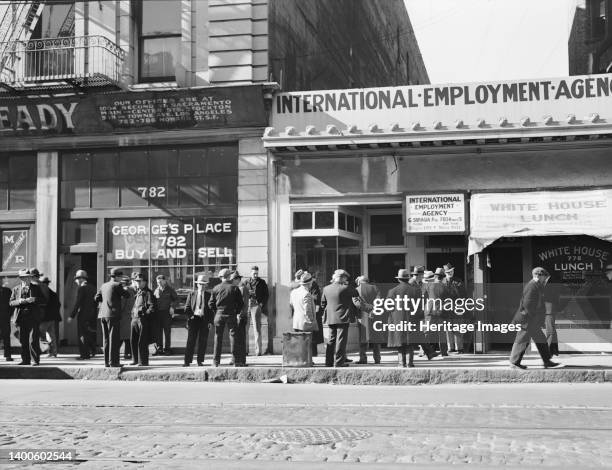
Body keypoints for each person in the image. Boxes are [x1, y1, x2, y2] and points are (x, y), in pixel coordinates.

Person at [509, 267, 561, 370]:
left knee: (540, 340)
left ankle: (547, 361)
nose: (545, 280)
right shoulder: (532, 286)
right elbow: (527, 304)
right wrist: (532, 318)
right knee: (522, 340)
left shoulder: (537, 285)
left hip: (532, 320)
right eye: (545, 277)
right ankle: (514, 362)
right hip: (528, 319)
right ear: (539, 275)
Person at [321, 269, 360, 367]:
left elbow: (323, 304)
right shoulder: (346, 288)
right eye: (346, 278)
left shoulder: (326, 288)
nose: (346, 280)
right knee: (341, 340)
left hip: (331, 317)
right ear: (342, 278)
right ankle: (339, 362)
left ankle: (328, 362)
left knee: (331, 340)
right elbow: (356, 294)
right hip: (343, 317)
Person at [95, 268, 130, 368]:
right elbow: (127, 295)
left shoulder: (104, 285)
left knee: (106, 339)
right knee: (114, 339)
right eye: (121, 277)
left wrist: (106, 300)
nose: (121, 279)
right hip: (113, 315)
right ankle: (114, 362)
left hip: (103, 315)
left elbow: (96, 298)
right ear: (118, 277)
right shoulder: (117, 285)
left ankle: (107, 362)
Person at [209, 268, 244, 367]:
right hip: (231, 314)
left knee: (218, 337)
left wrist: (217, 312)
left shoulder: (215, 288)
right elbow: (241, 303)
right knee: (233, 337)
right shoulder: (234, 288)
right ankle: (235, 361)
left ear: (221, 277)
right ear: (229, 277)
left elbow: (210, 304)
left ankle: (216, 362)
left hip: (219, 314)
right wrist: (235, 311)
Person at [10, 269, 44, 366]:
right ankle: (25, 360)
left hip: (33, 317)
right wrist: (19, 301)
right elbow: (11, 303)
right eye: (24, 277)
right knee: (23, 340)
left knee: (33, 339)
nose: (27, 279)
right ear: (21, 278)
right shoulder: (16, 289)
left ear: (30, 278)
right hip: (21, 318)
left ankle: (35, 360)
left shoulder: (36, 288)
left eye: (28, 277)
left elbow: (44, 300)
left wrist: (35, 299)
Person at [183, 274, 213, 367]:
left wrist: (210, 322)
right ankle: (187, 361)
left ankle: (200, 361)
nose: (202, 286)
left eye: (204, 284)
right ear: (197, 285)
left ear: (206, 285)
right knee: (191, 340)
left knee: (202, 341)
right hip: (194, 319)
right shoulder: (191, 294)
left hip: (204, 319)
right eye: (200, 284)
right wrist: (189, 317)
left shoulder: (209, 295)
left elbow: (212, 309)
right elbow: (187, 307)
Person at [68, 270, 98, 360]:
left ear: (80, 279)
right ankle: (92, 350)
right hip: (92, 314)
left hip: (83, 314)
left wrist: (71, 316)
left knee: (82, 334)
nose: (75, 281)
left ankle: (84, 355)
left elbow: (78, 303)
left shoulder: (82, 288)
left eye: (76, 279)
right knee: (88, 333)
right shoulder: (92, 287)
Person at [289, 271, 318, 361]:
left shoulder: (294, 292)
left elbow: (291, 304)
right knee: (307, 344)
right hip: (305, 323)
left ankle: (300, 361)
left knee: (299, 343)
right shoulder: (306, 294)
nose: (312, 284)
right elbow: (308, 311)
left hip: (296, 321)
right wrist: (312, 322)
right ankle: (307, 361)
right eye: (311, 282)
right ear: (308, 284)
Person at [422, 268, 451, 356]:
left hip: (429, 310)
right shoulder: (445, 287)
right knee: (441, 333)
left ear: (435, 276)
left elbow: (423, 296)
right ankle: (444, 352)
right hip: (440, 311)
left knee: (426, 332)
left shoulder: (429, 285)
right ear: (443, 278)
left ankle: (424, 351)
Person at [130, 273, 155, 366]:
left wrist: (144, 314)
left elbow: (152, 307)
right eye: (137, 281)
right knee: (133, 340)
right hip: (134, 319)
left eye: (140, 281)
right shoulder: (138, 292)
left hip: (142, 319)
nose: (138, 283)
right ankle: (135, 359)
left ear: (145, 282)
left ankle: (143, 361)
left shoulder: (148, 293)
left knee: (142, 341)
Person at [355, 275, 382, 365]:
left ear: (359, 281)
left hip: (362, 316)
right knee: (376, 338)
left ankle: (363, 358)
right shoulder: (375, 288)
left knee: (362, 338)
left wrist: (368, 309)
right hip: (375, 315)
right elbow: (379, 301)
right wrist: (373, 309)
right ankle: (377, 359)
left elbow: (357, 304)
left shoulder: (357, 289)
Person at [442, 263, 467, 354]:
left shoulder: (458, 281)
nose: (450, 273)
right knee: (448, 328)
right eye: (448, 271)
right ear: (445, 272)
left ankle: (459, 348)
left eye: (451, 271)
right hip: (446, 308)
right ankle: (450, 347)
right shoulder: (442, 282)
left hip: (457, 308)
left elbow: (463, 294)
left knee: (458, 327)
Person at [245, 266, 269, 355]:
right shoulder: (246, 282)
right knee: (245, 328)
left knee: (257, 328)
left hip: (256, 305)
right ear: (250, 273)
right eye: (254, 273)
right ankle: (245, 350)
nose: (255, 275)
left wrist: (261, 304)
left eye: (256, 273)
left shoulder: (262, 282)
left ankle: (258, 351)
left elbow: (266, 294)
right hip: (247, 305)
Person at [153, 275, 178, 356]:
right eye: (157, 282)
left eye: (160, 282)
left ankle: (167, 349)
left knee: (167, 332)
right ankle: (159, 349)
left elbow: (177, 299)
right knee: (158, 332)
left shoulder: (170, 290)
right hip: (158, 314)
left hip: (167, 313)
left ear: (165, 281)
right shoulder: (156, 290)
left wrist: (172, 307)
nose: (159, 284)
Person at [38, 276, 61, 358]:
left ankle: (43, 349)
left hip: (45, 318)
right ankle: (53, 352)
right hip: (52, 318)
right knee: (51, 335)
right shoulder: (53, 293)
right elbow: (58, 305)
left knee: (39, 333)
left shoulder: (43, 292)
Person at [231, 271, 250, 366]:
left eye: (233, 279)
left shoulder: (241, 288)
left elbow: (243, 304)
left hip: (240, 316)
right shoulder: (240, 288)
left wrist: (239, 315)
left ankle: (240, 360)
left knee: (239, 339)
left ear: (237, 279)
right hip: (240, 315)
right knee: (238, 338)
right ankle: (237, 359)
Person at [119, 274, 135, 360]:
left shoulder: (124, 291)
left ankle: (123, 353)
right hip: (129, 315)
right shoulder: (132, 291)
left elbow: (122, 305)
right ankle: (128, 353)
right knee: (128, 337)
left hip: (123, 316)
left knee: (122, 336)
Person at [0, 279, 13, 361]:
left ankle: (8, 355)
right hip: (5, 317)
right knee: (6, 336)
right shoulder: (7, 290)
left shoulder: (7, 291)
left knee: (6, 336)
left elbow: (12, 303)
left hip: (5, 317)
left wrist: (9, 314)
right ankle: (7, 355)